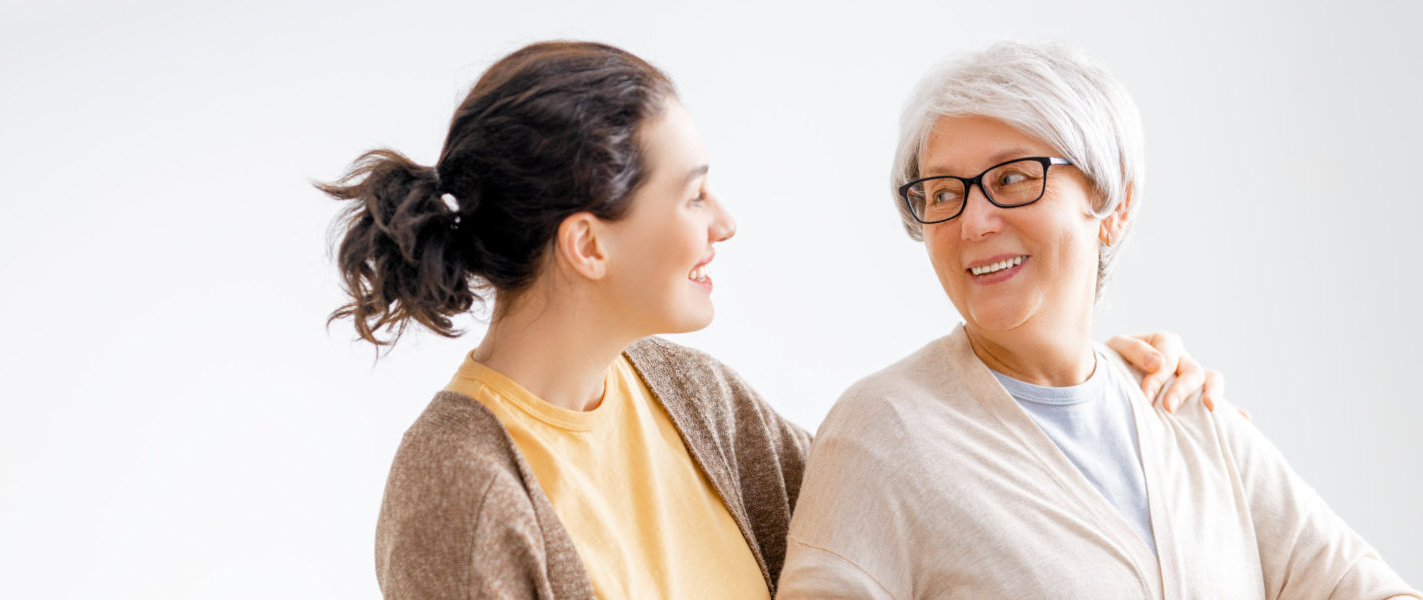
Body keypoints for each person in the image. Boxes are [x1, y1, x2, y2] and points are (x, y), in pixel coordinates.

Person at [318, 41, 1221, 599]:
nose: (725, 223)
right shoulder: (464, 490)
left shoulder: (687, 397)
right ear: (589, 246)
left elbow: (927, 504)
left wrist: (1095, 392)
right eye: (694, 194)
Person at [779, 42, 1423, 599]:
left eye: (1011, 179)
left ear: (1112, 203)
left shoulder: (1189, 414)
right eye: (944, 193)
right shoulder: (883, 433)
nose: (973, 222)